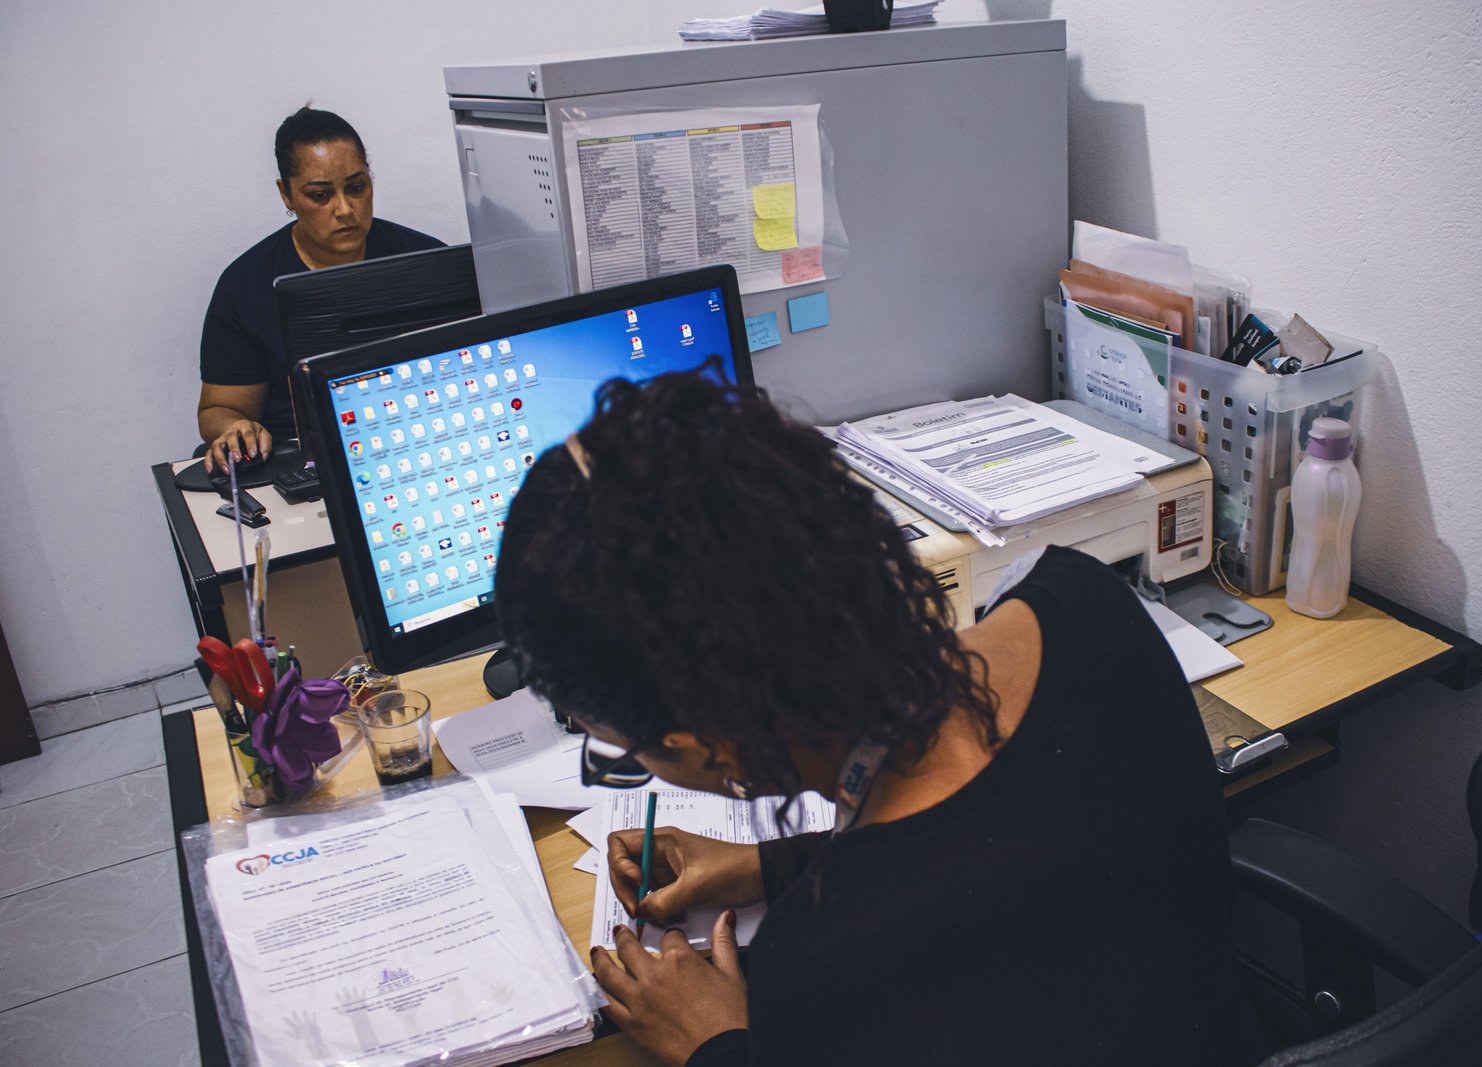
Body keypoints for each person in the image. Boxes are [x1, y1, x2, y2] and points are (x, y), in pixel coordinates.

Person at [496, 370, 1263, 1067]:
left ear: (714, 743)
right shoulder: (1086, 603)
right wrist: (768, 863)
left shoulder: (825, 962)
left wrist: (718, 1042)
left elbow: (936, 900)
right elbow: (999, 857)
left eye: (623, 746)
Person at [197, 106, 444, 472]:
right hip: (304, 461)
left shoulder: (428, 261)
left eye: (357, 187)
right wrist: (236, 428)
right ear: (287, 195)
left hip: (421, 442)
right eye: (320, 195)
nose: (345, 209)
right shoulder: (245, 285)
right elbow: (220, 409)